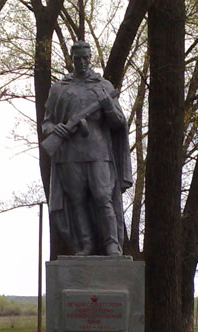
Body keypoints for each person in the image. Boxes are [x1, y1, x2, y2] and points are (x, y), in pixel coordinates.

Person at [42, 41, 133, 256]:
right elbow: (47, 123)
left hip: (99, 152)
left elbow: (119, 123)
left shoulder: (104, 87)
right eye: (78, 58)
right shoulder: (59, 89)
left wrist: (109, 107)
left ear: (90, 58)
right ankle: (86, 244)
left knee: (103, 197)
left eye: (86, 58)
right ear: (71, 59)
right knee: (77, 200)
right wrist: (58, 128)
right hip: (69, 154)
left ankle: (112, 244)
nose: (82, 62)